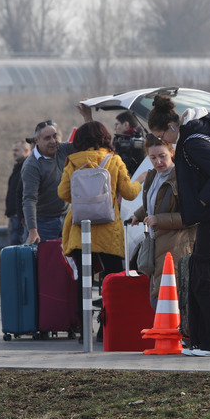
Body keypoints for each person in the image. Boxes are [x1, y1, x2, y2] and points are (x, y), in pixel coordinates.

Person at [147, 95, 210, 357]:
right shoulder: (194, 135)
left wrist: (201, 200)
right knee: (202, 275)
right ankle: (202, 342)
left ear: (171, 127)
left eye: (162, 137)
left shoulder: (192, 141)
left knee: (207, 278)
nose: (164, 142)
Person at [58, 120, 143, 337]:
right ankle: (107, 328)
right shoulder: (114, 161)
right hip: (108, 230)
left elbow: (63, 193)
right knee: (111, 279)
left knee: (83, 281)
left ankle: (85, 328)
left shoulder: (73, 162)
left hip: (80, 230)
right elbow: (130, 193)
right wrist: (140, 180)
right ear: (105, 138)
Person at [129, 135, 196, 315]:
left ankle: (181, 340)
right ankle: (173, 338)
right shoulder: (152, 176)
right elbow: (155, 203)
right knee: (160, 299)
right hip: (158, 243)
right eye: (153, 157)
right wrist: (139, 214)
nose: (158, 161)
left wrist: (160, 219)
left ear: (172, 153)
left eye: (162, 156)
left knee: (172, 299)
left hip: (177, 245)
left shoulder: (182, 178)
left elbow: (192, 216)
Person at [21, 119, 76, 244]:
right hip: (43, 224)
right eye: (47, 138)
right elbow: (29, 199)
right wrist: (33, 230)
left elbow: (87, 143)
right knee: (45, 262)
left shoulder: (61, 149)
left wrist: (87, 117)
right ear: (36, 141)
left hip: (67, 219)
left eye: (54, 136)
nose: (52, 141)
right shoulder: (32, 165)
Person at [5, 139, 31, 245]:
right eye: (13, 150)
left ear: (26, 151)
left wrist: (19, 213)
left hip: (20, 218)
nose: (14, 153)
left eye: (17, 150)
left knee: (18, 248)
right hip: (15, 216)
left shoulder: (27, 168)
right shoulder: (18, 168)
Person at [113, 110, 145, 178]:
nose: (114, 128)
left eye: (117, 124)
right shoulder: (120, 140)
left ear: (126, 124)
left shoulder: (139, 142)